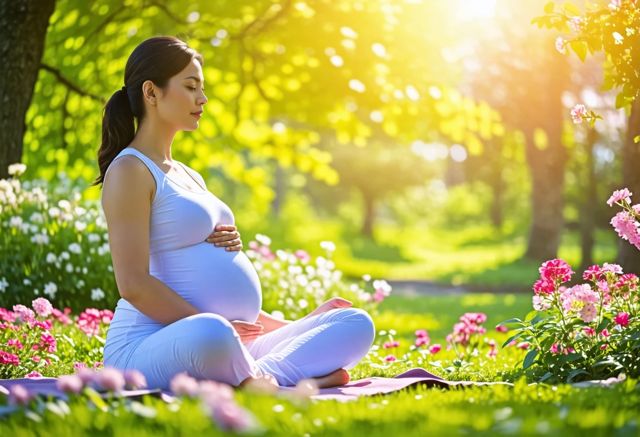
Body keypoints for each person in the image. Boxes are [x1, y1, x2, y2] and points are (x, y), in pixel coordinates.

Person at [94, 36, 376, 390]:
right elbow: (133, 285)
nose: (203, 98)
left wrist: (297, 324)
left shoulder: (187, 174)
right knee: (212, 334)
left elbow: (216, 297)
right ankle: (288, 381)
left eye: (202, 88)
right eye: (191, 86)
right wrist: (219, 325)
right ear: (152, 93)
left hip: (230, 342)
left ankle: (258, 379)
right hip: (154, 344)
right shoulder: (130, 171)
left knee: (354, 322)